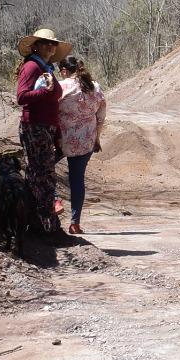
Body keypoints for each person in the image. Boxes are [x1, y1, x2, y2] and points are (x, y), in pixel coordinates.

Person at [14, 27, 71, 239]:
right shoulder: (31, 67)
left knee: (40, 176)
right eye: (46, 43)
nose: (50, 46)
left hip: (44, 128)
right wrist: (43, 91)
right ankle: (47, 229)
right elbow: (21, 96)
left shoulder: (45, 68)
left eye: (53, 44)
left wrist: (56, 133)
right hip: (35, 127)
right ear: (35, 46)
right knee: (43, 177)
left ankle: (37, 225)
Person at [57, 54, 108, 235]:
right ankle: (75, 223)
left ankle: (54, 202)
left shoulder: (60, 87)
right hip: (86, 140)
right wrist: (97, 139)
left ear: (64, 71)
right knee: (77, 180)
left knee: (42, 169)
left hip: (61, 140)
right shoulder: (95, 86)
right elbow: (101, 116)